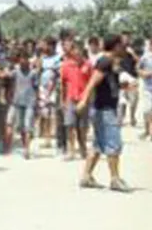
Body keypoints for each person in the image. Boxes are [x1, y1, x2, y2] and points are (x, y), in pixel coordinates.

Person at [77, 34, 132, 192]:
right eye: (122, 45)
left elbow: (107, 83)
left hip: (105, 108)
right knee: (113, 143)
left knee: (98, 144)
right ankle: (115, 179)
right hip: (104, 109)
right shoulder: (105, 61)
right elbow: (93, 81)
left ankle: (86, 176)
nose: (124, 48)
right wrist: (84, 100)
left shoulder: (111, 62)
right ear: (116, 46)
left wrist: (121, 86)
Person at [59, 42, 92, 160]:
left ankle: (83, 148)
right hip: (70, 99)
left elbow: (91, 84)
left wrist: (88, 99)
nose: (77, 52)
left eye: (79, 50)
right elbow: (63, 84)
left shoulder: (88, 65)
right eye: (75, 50)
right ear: (72, 52)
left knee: (83, 127)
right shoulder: (66, 66)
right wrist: (62, 100)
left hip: (83, 99)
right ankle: (71, 150)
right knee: (69, 125)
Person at [2, 53, 37, 159]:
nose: (23, 62)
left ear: (28, 61)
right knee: (14, 125)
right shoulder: (16, 72)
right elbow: (5, 76)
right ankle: (8, 148)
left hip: (29, 102)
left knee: (27, 126)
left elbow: (36, 87)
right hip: (16, 102)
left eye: (25, 60)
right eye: (21, 60)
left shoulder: (33, 73)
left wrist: (37, 102)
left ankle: (26, 150)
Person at [117, 38, 140, 128]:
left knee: (133, 100)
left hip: (132, 78)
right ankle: (120, 119)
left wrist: (132, 53)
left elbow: (139, 61)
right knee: (122, 100)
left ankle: (132, 117)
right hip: (122, 78)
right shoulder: (118, 53)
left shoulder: (133, 51)